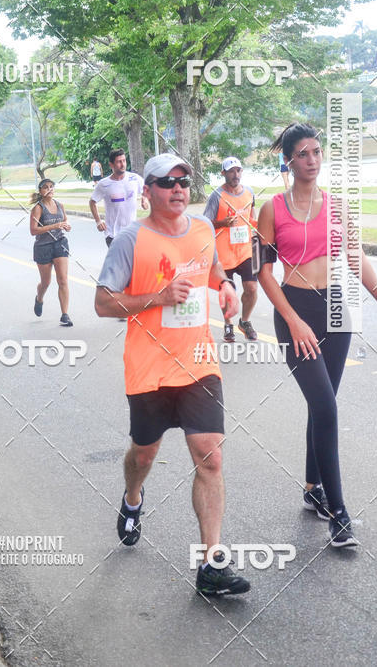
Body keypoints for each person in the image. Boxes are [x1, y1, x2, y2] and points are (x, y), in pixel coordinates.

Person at [95, 152, 249, 597]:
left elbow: (215, 268)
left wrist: (225, 287)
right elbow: (104, 304)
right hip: (149, 369)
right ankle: (132, 499)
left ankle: (211, 564)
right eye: (167, 182)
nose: (178, 189)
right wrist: (158, 297)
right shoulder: (130, 240)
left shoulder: (202, 230)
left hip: (200, 361)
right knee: (144, 455)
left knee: (211, 456)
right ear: (148, 193)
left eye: (184, 181)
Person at [257, 123, 377, 547]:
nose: (313, 160)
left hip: (338, 309)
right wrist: (292, 318)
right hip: (295, 310)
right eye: (303, 153)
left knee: (324, 404)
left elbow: (354, 254)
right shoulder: (272, 209)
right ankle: (339, 513)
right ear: (289, 159)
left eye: (317, 152)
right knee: (326, 406)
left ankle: (311, 489)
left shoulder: (336, 206)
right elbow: (262, 272)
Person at [203, 156, 258, 342]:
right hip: (224, 254)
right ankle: (228, 324)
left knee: (251, 288)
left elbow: (252, 218)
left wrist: (261, 228)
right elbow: (205, 224)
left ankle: (245, 321)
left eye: (238, 170)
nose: (236, 174)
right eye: (231, 171)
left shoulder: (250, 192)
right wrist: (220, 223)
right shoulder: (216, 196)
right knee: (228, 292)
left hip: (245, 251)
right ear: (223, 173)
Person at [30, 179, 73, 327]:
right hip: (43, 246)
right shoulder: (38, 208)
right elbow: (33, 230)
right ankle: (39, 298)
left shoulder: (60, 205)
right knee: (46, 282)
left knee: (62, 280)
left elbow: (65, 220)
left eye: (51, 187)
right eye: (45, 187)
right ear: (40, 191)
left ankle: (65, 315)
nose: (49, 189)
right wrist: (54, 225)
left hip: (60, 243)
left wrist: (66, 226)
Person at [89, 149, 148, 247]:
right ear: (111, 165)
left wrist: (144, 198)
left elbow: (146, 189)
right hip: (113, 235)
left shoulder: (134, 178)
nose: (123, 164)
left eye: (124, 160)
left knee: (134, 261)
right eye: (119, 162)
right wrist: (98, 221)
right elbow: (92, 202)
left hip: (131, 233)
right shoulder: (103, 184)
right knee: (120, 262)